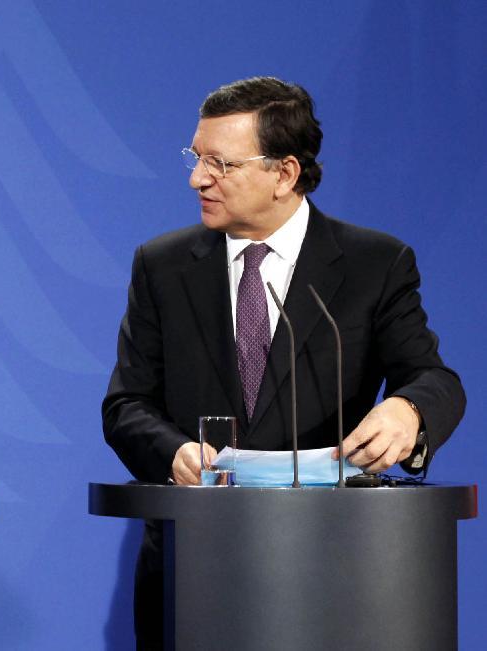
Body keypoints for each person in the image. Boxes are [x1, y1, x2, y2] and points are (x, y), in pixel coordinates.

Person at [101, 76, 465, 648]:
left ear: (285, 174)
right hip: (194, 562)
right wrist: (173, 453)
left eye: (221, 163)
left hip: (334, 561)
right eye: (197, 159)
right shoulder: (162, 265)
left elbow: (432, 377)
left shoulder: (375, 264)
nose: (198, 178)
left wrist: (408, 410)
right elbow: (126, 404)